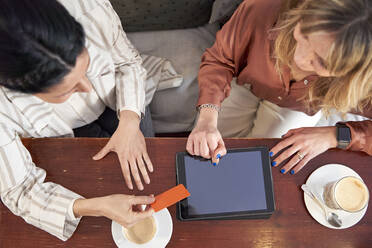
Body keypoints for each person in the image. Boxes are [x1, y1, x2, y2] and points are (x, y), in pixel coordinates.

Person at [0, 0, 156, 241]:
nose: (87, 88)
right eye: (66, 90)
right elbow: (20, 190)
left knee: (151, 172)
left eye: (87, 67)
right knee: (101, 184)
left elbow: (128, 63)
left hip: (123, 101)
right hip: (61, 136)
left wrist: (130, 120)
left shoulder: (89, 8)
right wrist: (94, 206)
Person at [187, 0, 372, 173]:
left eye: (322, 62)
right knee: (208, 149)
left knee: (262, 165)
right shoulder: (263, 7)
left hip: (298, 106)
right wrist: (207, 119)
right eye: (304, 34)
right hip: (245, 83)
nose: (299, 59)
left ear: (352, 75)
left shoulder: (365, 83)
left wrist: (335, 135)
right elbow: (220, 60)